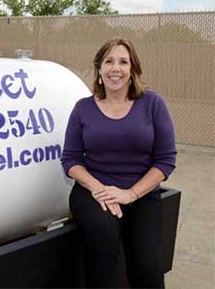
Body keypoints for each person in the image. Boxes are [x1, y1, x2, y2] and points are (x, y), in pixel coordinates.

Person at [61, 38, 177, 288]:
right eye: (109, 61)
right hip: (94, 193)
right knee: (104, 244)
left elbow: (166, 160)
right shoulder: (83, 108)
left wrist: (130, 194)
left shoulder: (153, 104)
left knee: (147, 267)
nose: (116, 68)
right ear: (99, 70)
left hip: (142, 195)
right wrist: (97, 188)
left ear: (132, 69)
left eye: (123, 61)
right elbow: (70, 160)